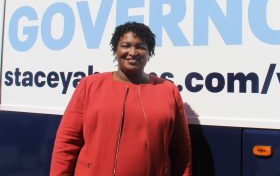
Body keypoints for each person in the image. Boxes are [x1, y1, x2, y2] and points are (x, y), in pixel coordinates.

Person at [50, 22, 192, 176]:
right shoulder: (89, 85)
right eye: (126, 45)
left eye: (140, 47)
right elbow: (67, 141)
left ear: (149, 52)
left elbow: (181, 149)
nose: (133, 52)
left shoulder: (168, 90)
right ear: (115, 50)